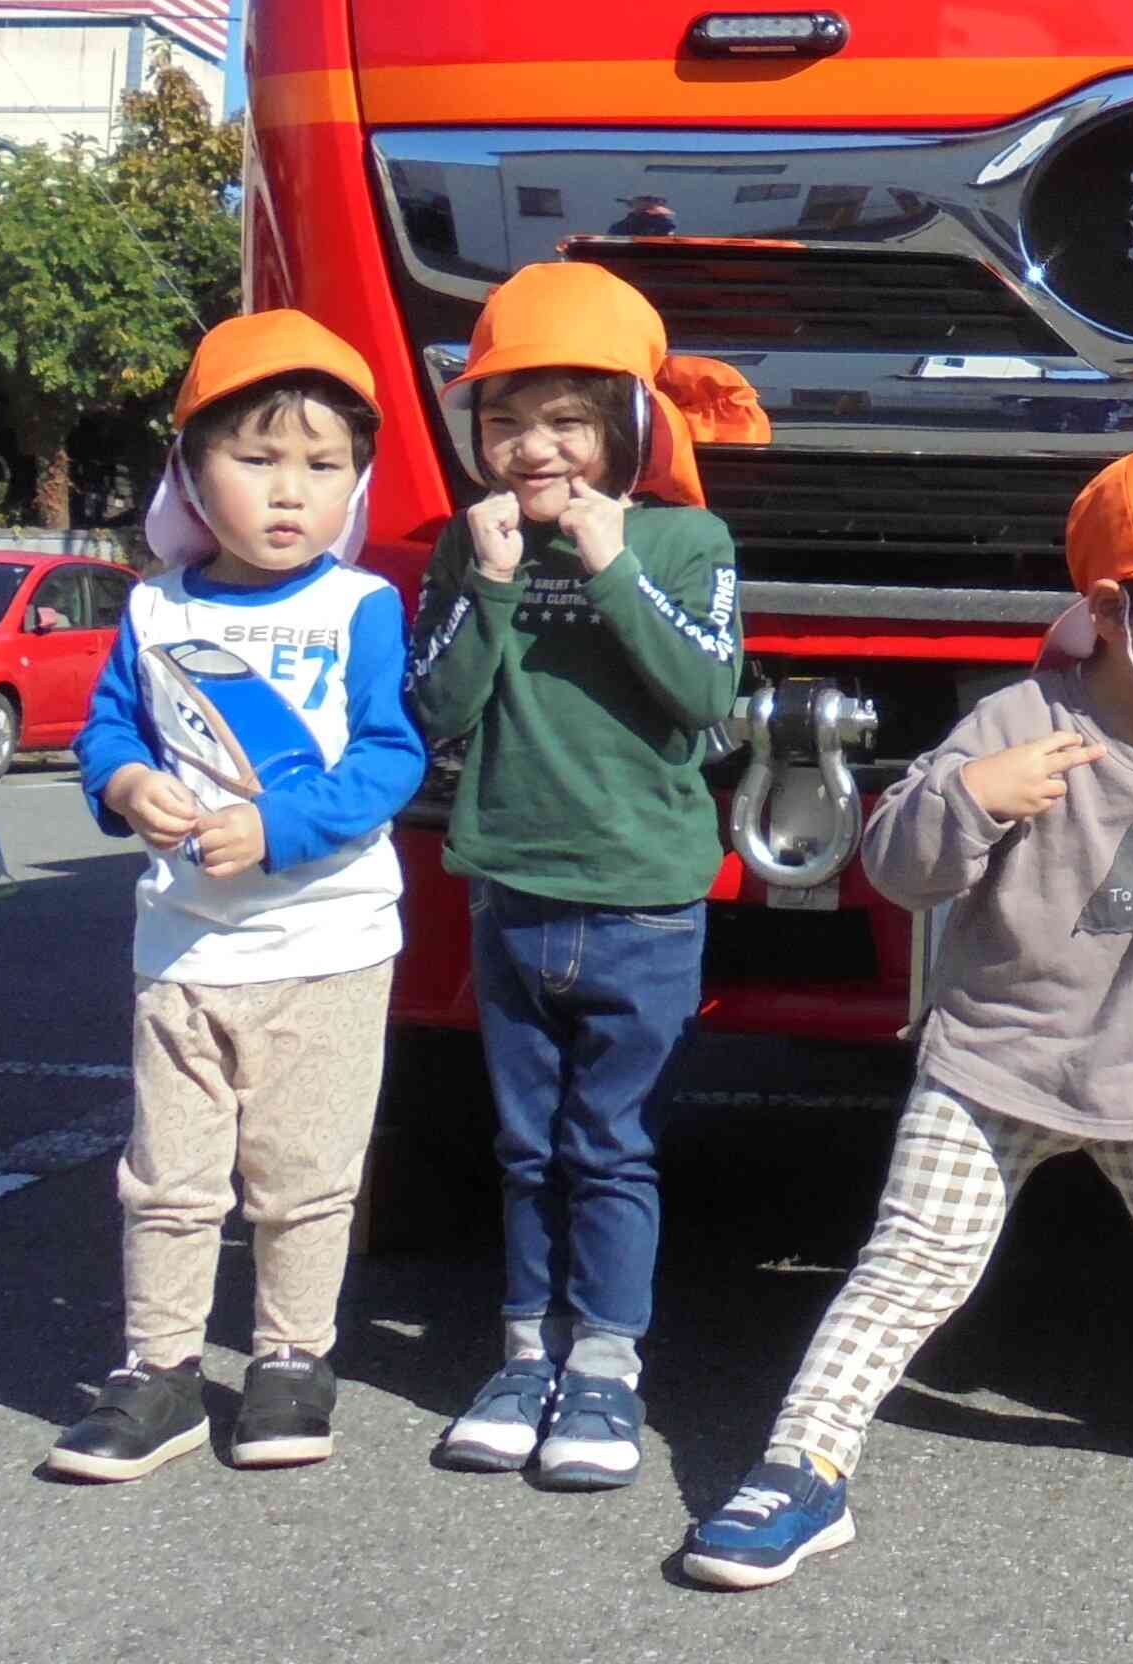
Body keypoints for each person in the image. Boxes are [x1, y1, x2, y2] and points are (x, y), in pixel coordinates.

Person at [682, 434, 1133, 1589]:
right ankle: (803, 1466)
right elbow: (897, 864)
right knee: (910, 1264)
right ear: (1115, 611)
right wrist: (973, 798)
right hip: (994, 1061)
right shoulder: (1019, 719)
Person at [48, 311, 427, 1483]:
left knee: (305, 1176)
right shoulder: (156, 607)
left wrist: (276, 824)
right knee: (166, 1177)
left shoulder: (359, 605)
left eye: (322, 467)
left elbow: (388, 758)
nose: (288, 493)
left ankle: (289, 1363)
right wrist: (122, 780)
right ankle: (159, 1372)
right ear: (189, 469)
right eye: (256, 459)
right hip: (183, 948)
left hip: (327, 943)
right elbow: (111, 721)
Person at [408, 262, 745, 1491]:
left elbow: (705, 694)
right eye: (504, 420)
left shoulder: (685, 537)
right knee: (524, 1145)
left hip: (647, 899)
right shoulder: (473, 543)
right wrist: (492, 583)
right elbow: (435, 705)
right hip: (511, 886)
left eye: (566, 418)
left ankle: (605, 1366)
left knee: (610, 1145)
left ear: (628, 424)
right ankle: (518, 1355)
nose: (533, 447)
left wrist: (611, 564)